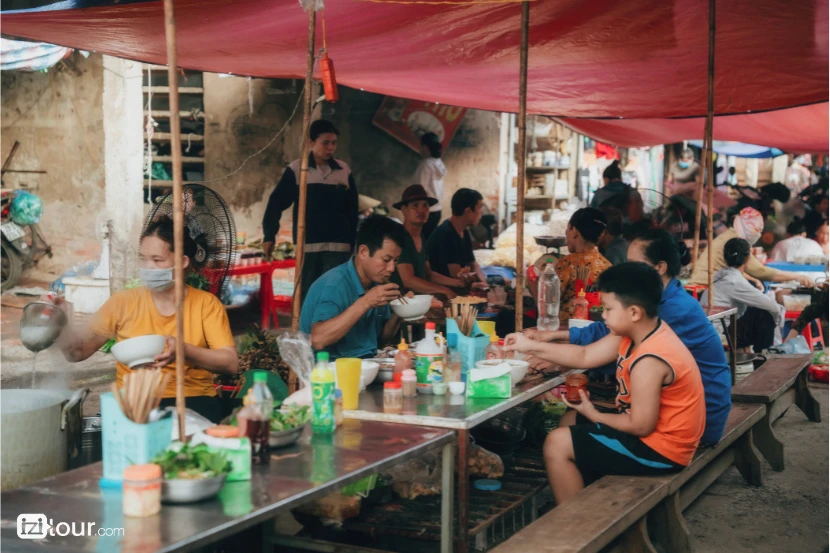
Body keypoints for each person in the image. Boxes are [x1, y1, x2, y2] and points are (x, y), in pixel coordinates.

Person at [504, 263, 705, 504]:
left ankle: (575, 525)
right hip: (653, 435)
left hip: (663, 451)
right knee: (569, 420)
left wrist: (595, 415)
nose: (603, 315)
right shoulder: (641, 332)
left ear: (634, 312)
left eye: (608, 309)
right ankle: (581, 496)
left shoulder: (650, 359)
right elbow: (584, 356)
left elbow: (641, 426)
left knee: (556, 444)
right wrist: (530, 346)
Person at [525, 229, 731, 445]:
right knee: (569, 419)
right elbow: (606, 333)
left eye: (634, 263)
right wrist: (554, 336)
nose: (625, 269)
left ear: (660, 267)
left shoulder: (671, 309)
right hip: (678, 412)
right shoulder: (663, 297)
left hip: (694, 421)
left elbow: (596, 354)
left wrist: (551, 354)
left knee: (563, 436)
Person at [58, 217, 238, 423]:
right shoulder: (122, 302)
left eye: (157, 260)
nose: (147, 267)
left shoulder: (206, 304)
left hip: (193, 400)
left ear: (183, 262)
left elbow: (230, 363)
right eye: (142, 259)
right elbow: (76, 352)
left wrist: (183, 350)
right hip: (134, 401)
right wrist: (62, 324)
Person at [262, 120, 358, 300]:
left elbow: (352, 210)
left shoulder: (343, 170)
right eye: (325, 143)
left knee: (336, 293)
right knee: (307, 293)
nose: (331, 147)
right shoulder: (297, 169)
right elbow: (276, 202)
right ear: (311, 142)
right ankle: (306, 329)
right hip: (308, 245)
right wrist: (269, 235)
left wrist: (353, 242)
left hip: (339, 247)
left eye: (334, 142)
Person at [300, 215, 410, 359]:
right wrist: (365, 302)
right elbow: (318, 340)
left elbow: (380, 340)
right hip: (328, 374)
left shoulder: (377, 283)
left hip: (365, 367)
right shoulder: (335, 285)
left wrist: (399, 313)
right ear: (363, 252)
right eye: (386, 260)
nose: (391, 268)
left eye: (395, 261)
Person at [690, 207, 813, 288]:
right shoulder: (735, 241)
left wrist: (751, 279)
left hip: (706, 284)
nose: (758, 234)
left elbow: (733, 269)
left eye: (760, 230)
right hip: (705, 288)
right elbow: (761, 271)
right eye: (756, 229)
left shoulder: (730, 235)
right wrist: (797, 276)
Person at [701, 238, 784, 353]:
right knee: (765, 314)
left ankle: (756, 353)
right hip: (719, 330)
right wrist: (778, 321)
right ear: (747, 258)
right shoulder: (734, 281)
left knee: (757, 310)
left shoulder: (721, 276)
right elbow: (772, 306)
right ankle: (763, 356)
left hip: (712, 326)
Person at [391, 184, 462, 299]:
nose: (421, 210)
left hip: (419, 300)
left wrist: (459, 282)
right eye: (415, 206)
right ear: (404, 210)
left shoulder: (421, 237)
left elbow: (429, 275)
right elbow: (408, 280)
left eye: (425, 206)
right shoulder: (400, 237)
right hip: (401, 303)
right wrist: (444, 290)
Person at [553, 207, 612, 321]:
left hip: (567, 329)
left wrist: (534, 285)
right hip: (598, 327)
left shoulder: (568, 263)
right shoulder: (608, 265)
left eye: (567, 228)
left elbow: (550, 303)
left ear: (574, 231)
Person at [426, 188, 487, 285]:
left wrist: (485, 284)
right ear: (468, 211)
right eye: (479, 208)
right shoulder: (447, 233)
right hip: (446, 286)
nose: (481, 213)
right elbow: (456, 274)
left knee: (502, 281)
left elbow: (473, 264)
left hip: (459, 283)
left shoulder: (464, 231)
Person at [413, 132, 447, 240]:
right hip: (436, 210)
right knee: (428, 241)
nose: (419, 149)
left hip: (426, 211)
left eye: (420, 145)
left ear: (425, 147)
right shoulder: (438, 163)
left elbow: (420, 190)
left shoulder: (426, 165)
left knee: (422, 243)